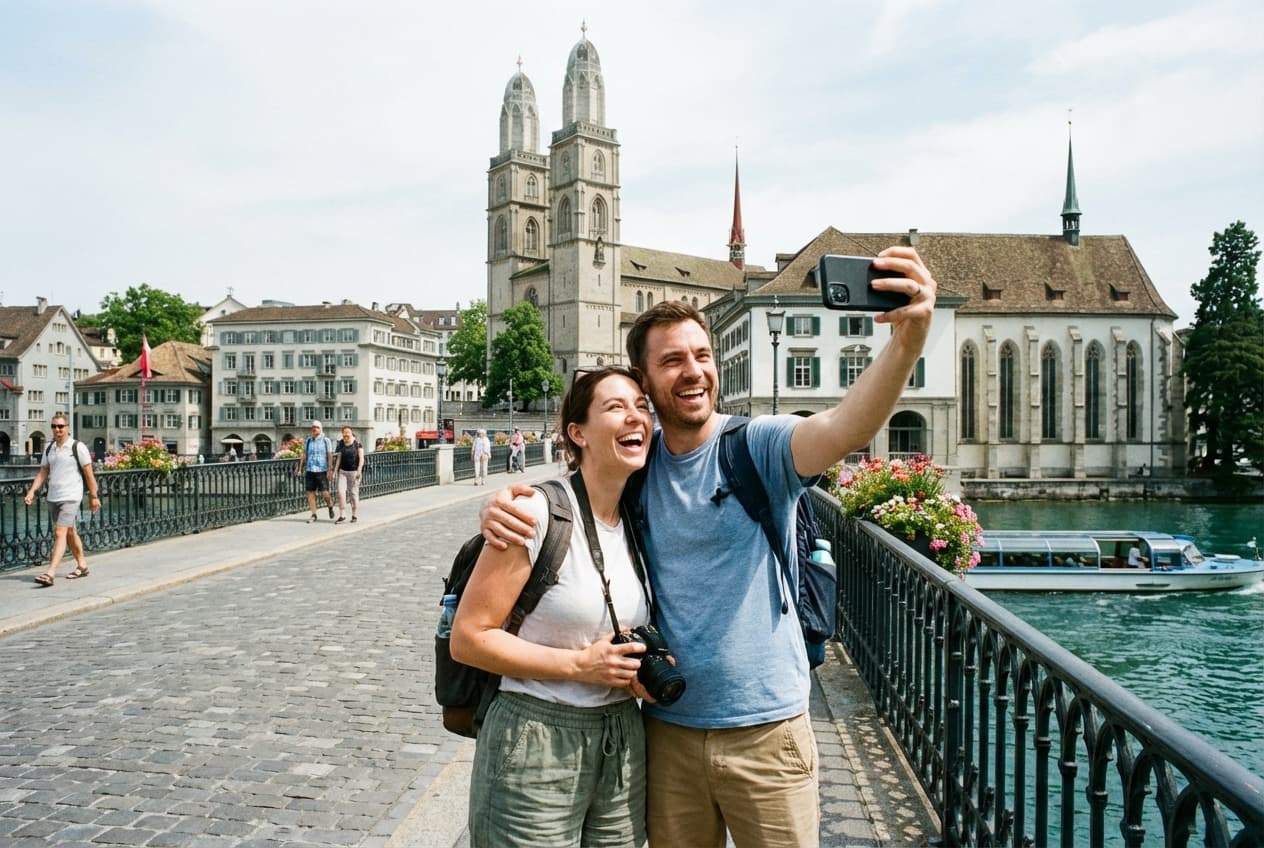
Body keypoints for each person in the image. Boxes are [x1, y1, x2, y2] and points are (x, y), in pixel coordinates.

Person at [481, 246, 936, 847]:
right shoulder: (636, 469)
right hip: (666, 732)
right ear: (645, 384)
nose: (693, 371)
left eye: (701, 355)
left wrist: (907, 341)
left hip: (767, 732)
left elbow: (846, 427)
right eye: (672, 361)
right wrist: (503, 505)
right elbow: (576, 495)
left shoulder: (757, 448)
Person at [451, 367, 655, 848]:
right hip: (536, 738)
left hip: (623, 739)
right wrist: (579, 665)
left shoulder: (639, 515)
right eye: (616, 407)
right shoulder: (536, 513)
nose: (635, 417)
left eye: (641, 407)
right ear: (577, 432)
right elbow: (469, 637)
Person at [24, 413, 102, 586]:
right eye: (54, 426)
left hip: (71, 496)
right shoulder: (49, 448)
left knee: (60, 532)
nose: (57, 430)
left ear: (67, 428)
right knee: (70, 532)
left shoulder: (77, 447)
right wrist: (32, 492)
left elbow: (89, 474)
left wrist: (94, 496)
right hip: (53, 496)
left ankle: (50, 573)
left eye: (61, 426)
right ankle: (82, 566)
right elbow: (43, 472)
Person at [296, 421, 335, 523]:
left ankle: (330, 506)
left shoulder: (326, 441)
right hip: (310, 469)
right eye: (313, 427)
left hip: (322, 470)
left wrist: (330, 470)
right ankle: (313, 514)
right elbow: (304, 455)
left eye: (317, 427)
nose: (314, 429)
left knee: (325, 493)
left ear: (320, 429)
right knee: (310, 492)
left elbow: (330, 455)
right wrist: (300, 468)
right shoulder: (308, 441)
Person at [333, 426, 364, 524]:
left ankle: (354, 514)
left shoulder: (357, 444)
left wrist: (359, 470)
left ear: (351, 433)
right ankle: (342, 515)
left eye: (347, 432)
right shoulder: (341, 443)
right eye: (344, 432)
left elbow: (362, 458)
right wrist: (334, 471)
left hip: (354, 472)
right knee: (340, 492)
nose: (346, 434)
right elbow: (339, 458)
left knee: (353, 494)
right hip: (342, 471)